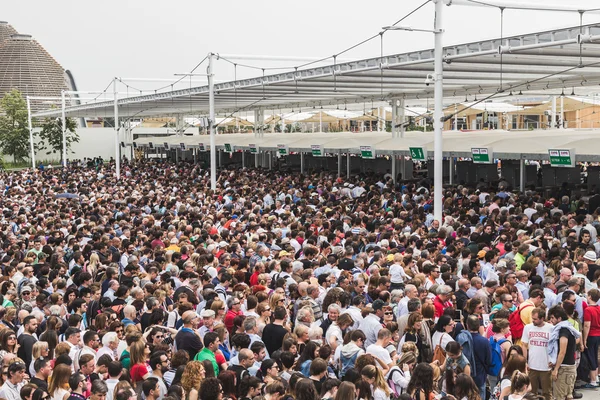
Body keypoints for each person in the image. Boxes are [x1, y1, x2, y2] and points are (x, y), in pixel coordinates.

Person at [548, 305, 580, 400]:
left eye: (553, 318)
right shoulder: (569, 327)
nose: (551, 320)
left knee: (559, 396)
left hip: (564, 368)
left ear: (559, 318)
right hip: (569, 367)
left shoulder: (563, 330)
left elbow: (562, 351)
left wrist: (556, 369)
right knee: (568, 396)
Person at [521, 308, 552, 400]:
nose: (533, 321)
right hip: (532, 364)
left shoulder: (551, 328)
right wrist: (525, 361)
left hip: (546, 365)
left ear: (542, 318)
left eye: (535, 319)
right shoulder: (528, 327)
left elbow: (555, 347)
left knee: (547, 391)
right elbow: (524, 345)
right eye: (532, 318)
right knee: (531, 392)